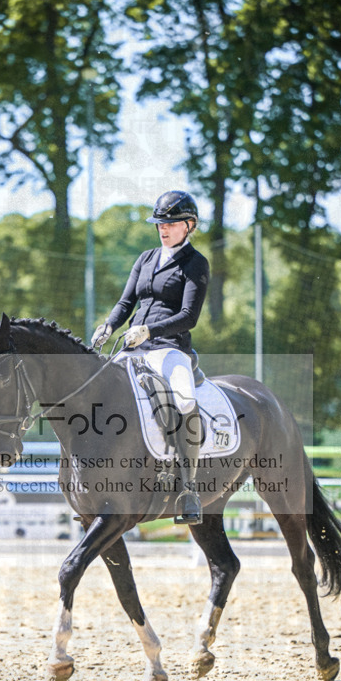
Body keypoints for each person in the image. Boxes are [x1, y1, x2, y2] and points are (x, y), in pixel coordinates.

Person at [91, 190, 210, 524]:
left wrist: (149, 331)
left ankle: (188, 490)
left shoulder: (195, 263)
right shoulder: (145, 259)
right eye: (160, 223)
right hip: (131, 349)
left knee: (185, 401)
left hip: (170, 349)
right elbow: (126, 301)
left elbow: (189, 315)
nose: (164, 228)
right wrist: (109, 325)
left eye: (171, 223)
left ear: (189, 225)